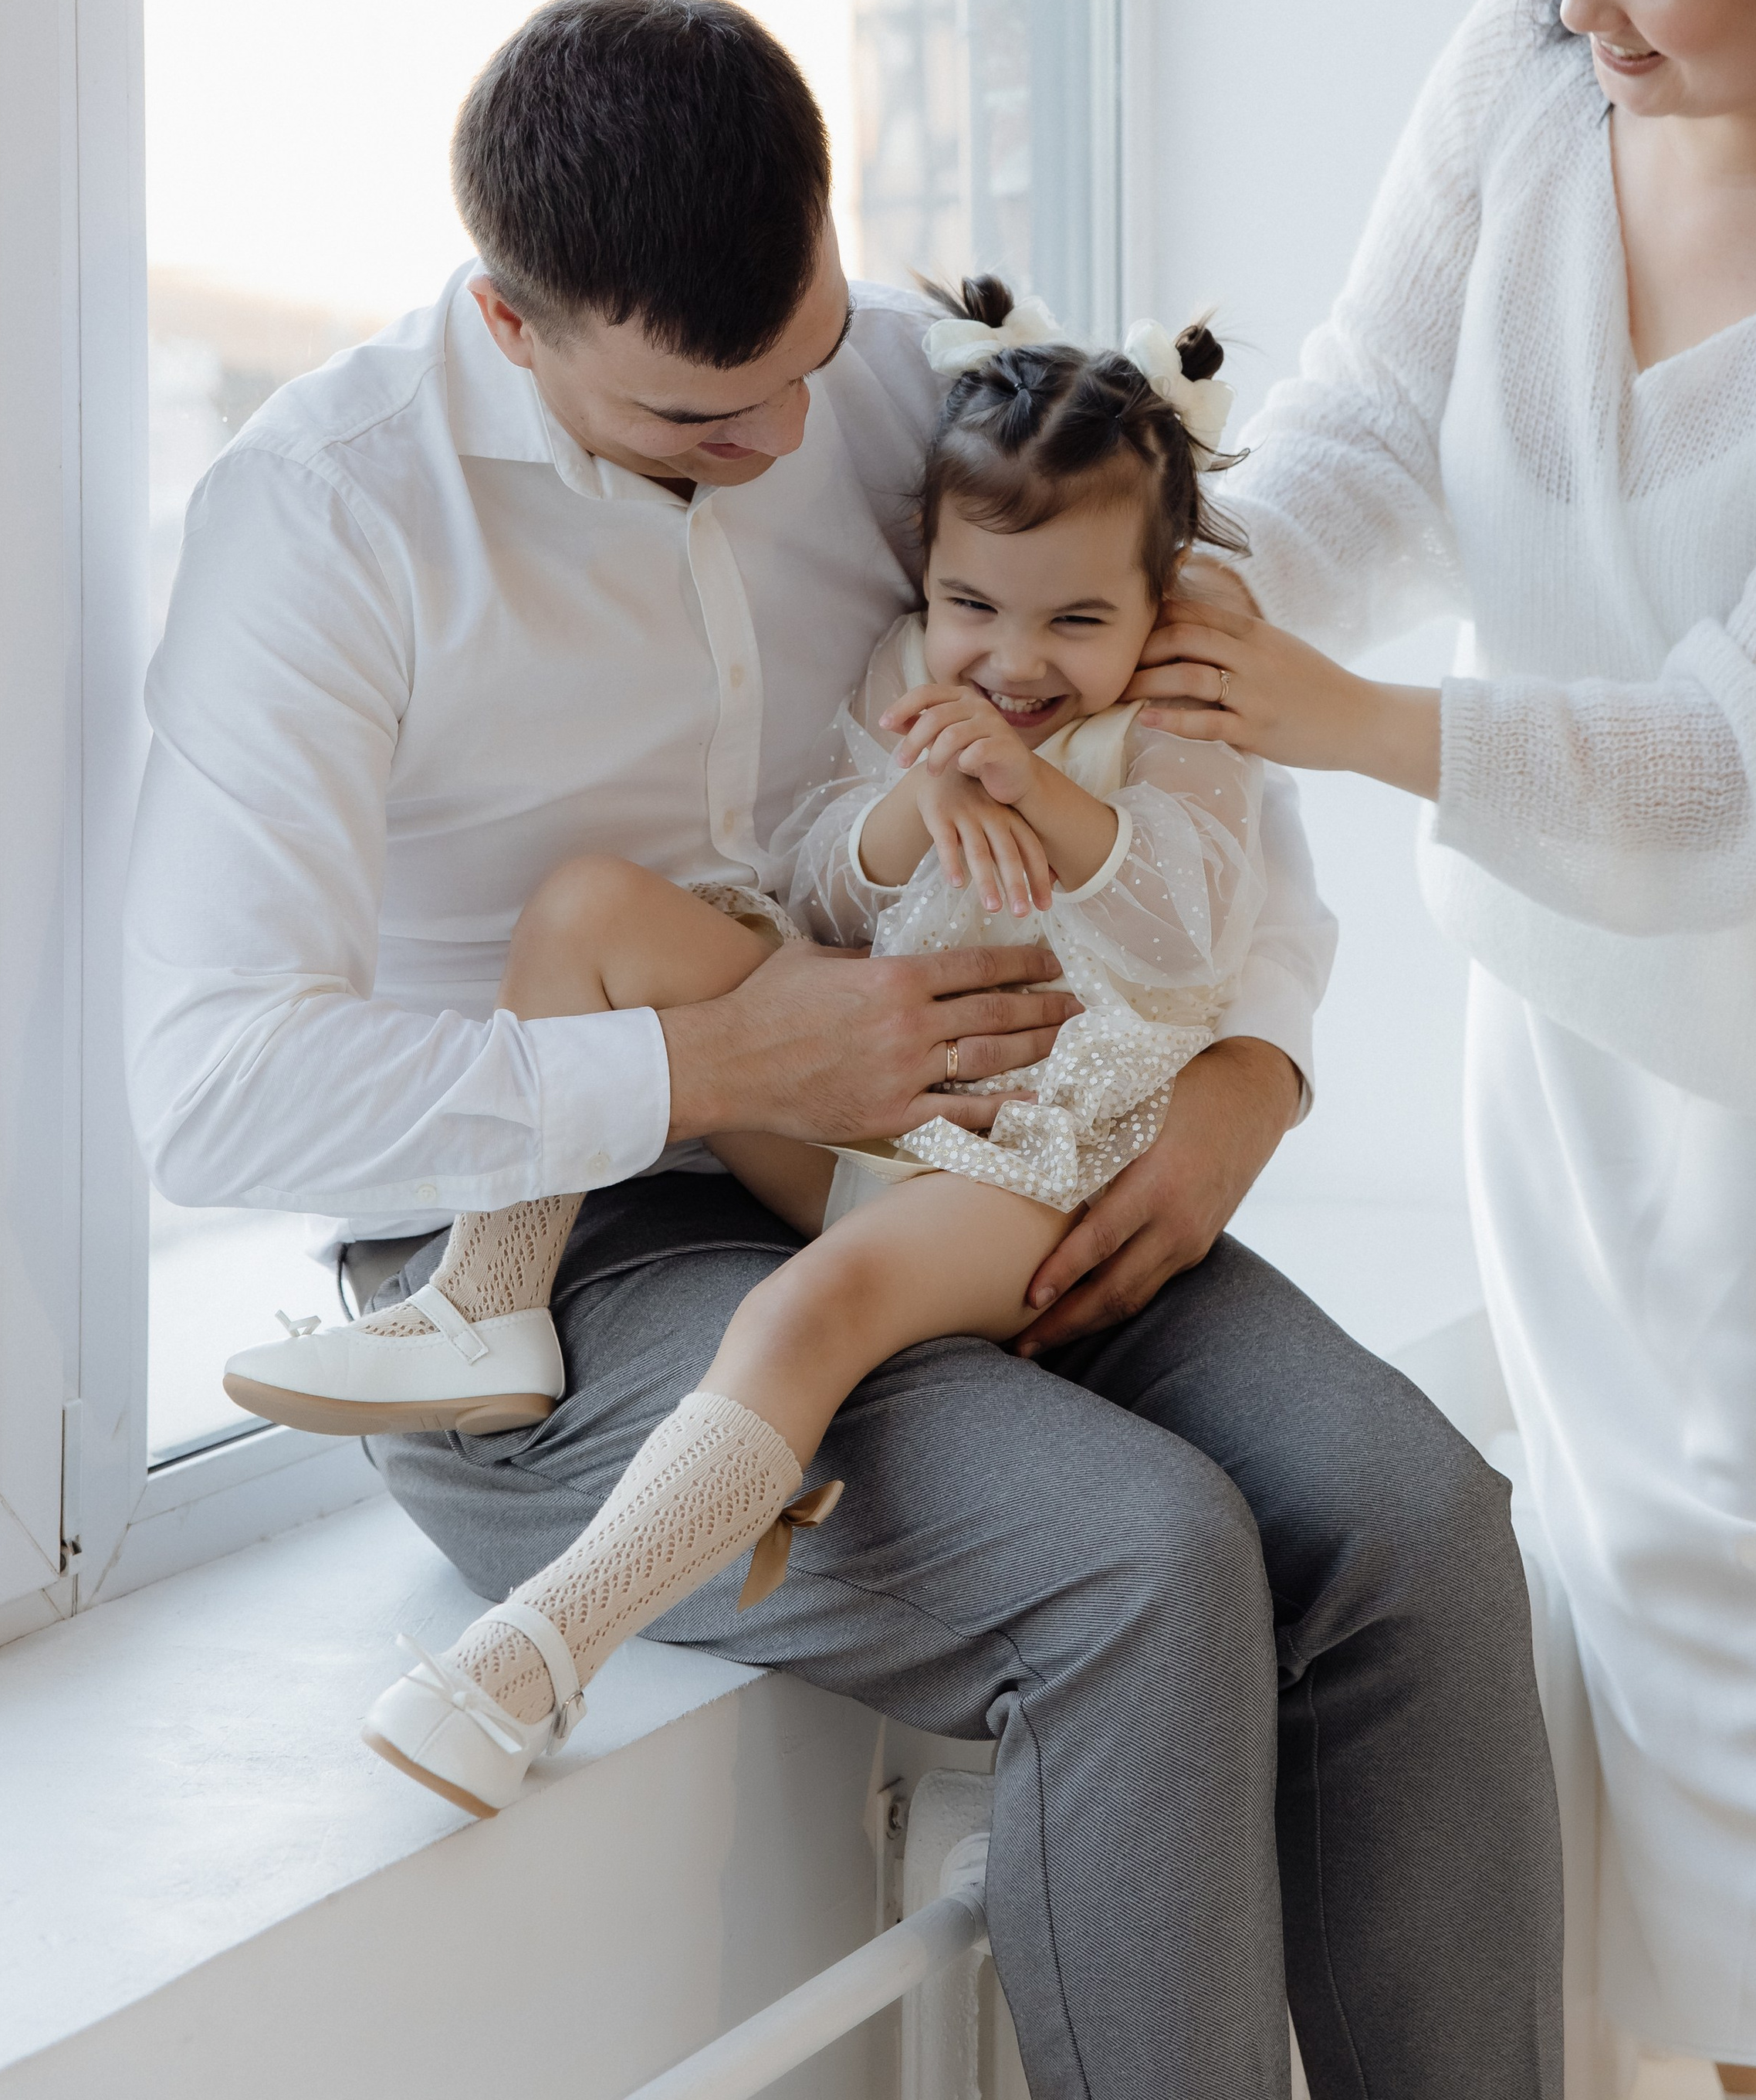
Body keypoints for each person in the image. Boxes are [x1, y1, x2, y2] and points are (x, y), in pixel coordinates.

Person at [126, 0, 1562, 2100]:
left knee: (1413, 1514)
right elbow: (212, 1084)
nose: (792, 443)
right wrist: (722, 1070)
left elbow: (1184, 714)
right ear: (515, 330)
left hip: (1012, 1130)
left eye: (805, 362)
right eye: (705, 424)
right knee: (1141, 1564)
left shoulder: (907, 386)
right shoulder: (323, 517)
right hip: (551, 1259)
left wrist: (1252, 1068)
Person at [1131, 0, 1756, 2100]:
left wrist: (1354, 726)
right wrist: (1166, 592)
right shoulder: (1525, 64)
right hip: (1558, 1038)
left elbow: (1752, 772)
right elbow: (1374, 430)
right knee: (1608, 1653)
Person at [306, 283, 1269, 1815]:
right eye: (975, 606)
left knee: (802, 1312)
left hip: (1017, 1158)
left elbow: (1187, 941)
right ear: (931, 576)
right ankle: (487, 1302)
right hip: (853, 1089)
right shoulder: (910, 673)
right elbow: (818, 878)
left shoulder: (1170, 726)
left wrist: (1038, 792)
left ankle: (543, 1653)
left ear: (1156, 608)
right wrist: (908, 808)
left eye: (1075, 621)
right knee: (590, 909)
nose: (1013, 659)